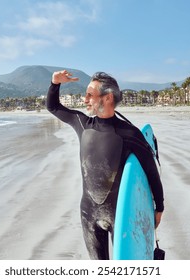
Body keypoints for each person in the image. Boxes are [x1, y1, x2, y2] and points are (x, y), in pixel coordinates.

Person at [47, 70, 164, 260]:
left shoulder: (130, 134)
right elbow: (53, 107)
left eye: (90, 95)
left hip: (121, 215)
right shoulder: (82, 123)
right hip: (88, 213)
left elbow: (151, 172)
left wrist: (159, 207)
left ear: (108, 97)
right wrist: (55, 83)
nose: (85, 99)